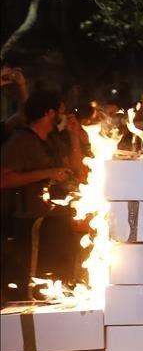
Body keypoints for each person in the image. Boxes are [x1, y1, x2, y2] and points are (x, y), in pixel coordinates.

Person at [0, 90, 87, 301]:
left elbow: (80, 172)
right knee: (31, 280)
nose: (65, 116)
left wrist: (75, 137)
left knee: (57, 277)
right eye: (62, 111)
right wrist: (47, 173)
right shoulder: (21, 141)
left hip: (57, 221)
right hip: (32, 223)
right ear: (50, 113)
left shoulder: (54, 140)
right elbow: (4, 179)